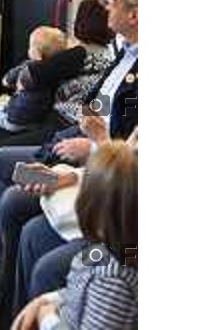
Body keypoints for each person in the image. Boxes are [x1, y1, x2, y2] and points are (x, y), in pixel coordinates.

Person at [0, 0, 137, 330]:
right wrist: (87, 128)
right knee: (2, 168)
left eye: (115, 1)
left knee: (9, 180)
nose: (109, 5)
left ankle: (5, 288)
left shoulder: (94, 55)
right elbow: (101, 105)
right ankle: (4, 278)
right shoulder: (123, 55)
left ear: (133, 15)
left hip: (90, 156)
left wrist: (90, 145)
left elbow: (123, 152)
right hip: (75, 138)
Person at [0, 0, 114, 266]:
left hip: (62, 124)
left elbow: (29, 75)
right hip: (66, 124)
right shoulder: (109, 55)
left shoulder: (81, 53)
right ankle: (0, 238)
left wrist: (17, 77)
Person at [11, 141, 138, 330]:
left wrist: (46, 317)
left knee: (47, 268)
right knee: (33, 233)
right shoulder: (104, 253)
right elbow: (78, 281)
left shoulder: (111, 280)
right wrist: (47, 299)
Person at [0, 26, 68, 134]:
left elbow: (6, 81)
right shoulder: (58, 71)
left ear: (34, 52)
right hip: (37, 118)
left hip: (15, 120)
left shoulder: (28, 68)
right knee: (6, 101)